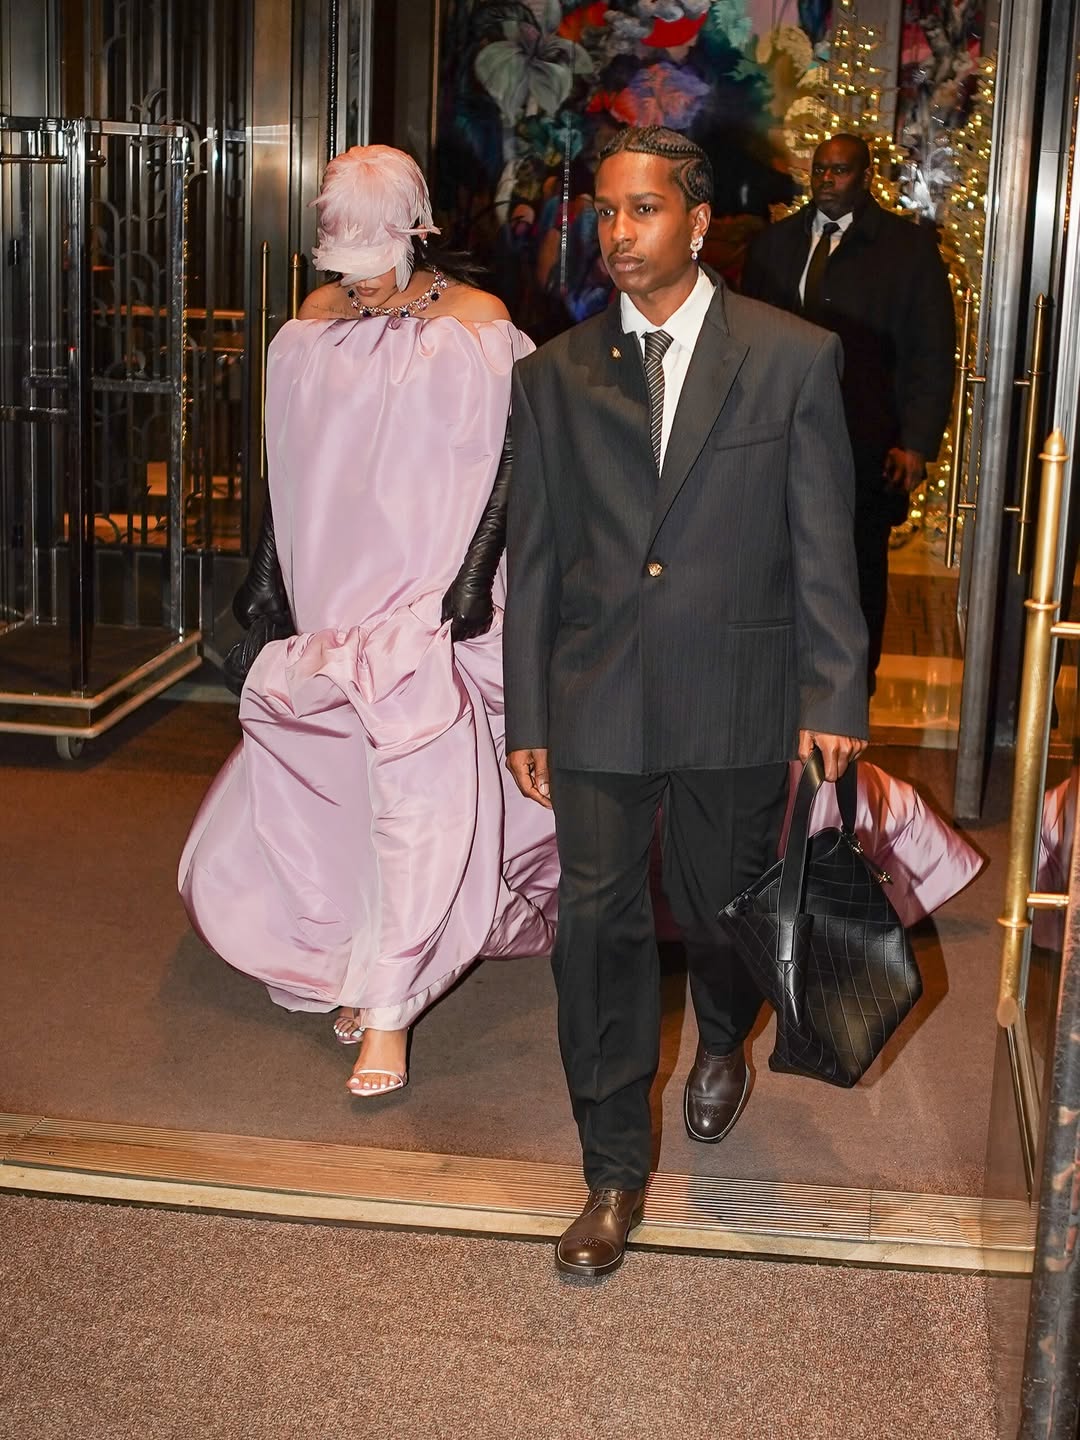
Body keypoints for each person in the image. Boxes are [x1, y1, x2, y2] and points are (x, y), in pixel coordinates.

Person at [503, 125, 869, 1280]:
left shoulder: (792, 357)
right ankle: (611, 1173)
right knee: (596, 929)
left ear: (698, 222)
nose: (618, 233)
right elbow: (540, 557)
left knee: (718, 912)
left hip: (737, 687)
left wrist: (832, 690)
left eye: (644, 210)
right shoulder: (553, 376)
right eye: (605, 211)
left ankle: (722, 1037)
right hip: (598, 690)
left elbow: (824, 544)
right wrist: (528, 714)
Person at [179, 145, 558, 1098]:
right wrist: (264, 577)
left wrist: (471, 583)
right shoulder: (310, 325)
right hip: (329, 597)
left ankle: (389, 1005)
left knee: (423, 796)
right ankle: (365, 956)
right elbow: (286, 465)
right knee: (338, 788)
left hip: (427, 600)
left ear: (415, 227)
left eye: (373, 246)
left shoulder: (480, 325)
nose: (358, 271)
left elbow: (518, 465)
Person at [740, 133, 956, 694]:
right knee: (773, 559)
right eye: (819, 170)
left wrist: (916, 444)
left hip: (864, 440)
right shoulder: (776, 245)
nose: (826, 181)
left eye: (839, 171)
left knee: (858, 568)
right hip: (778, 436)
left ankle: (852, 687)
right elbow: (742, 341)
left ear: (865, 176)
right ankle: (777, 681)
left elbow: (930, 352)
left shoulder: (905, 251)